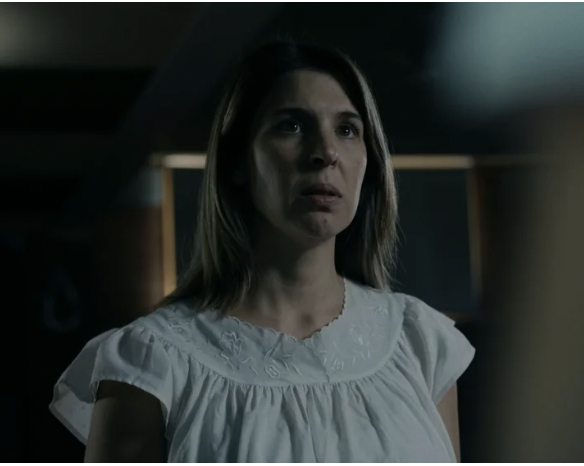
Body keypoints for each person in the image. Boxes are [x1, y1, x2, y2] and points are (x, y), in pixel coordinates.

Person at [49, 41, 475, 462]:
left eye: (347, 130)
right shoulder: (151, 361)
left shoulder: (418, 342)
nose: (326, 153)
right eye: (292, 126)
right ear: (238, 160)